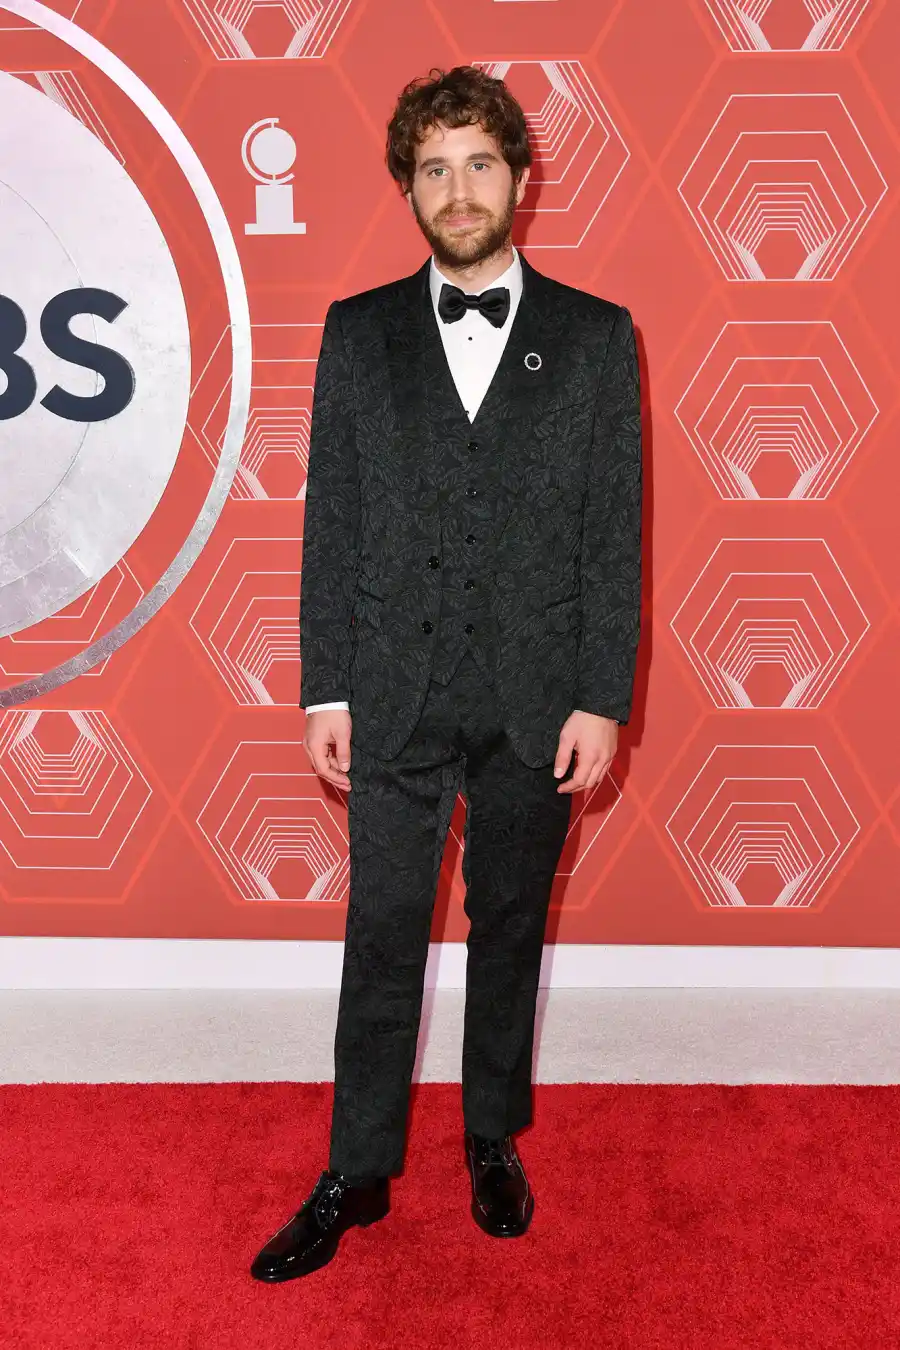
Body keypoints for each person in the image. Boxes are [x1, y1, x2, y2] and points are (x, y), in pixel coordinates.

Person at [251, 64, 642, 1283]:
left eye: (480, 164)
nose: (458, 189)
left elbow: (612, 529)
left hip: (537, 697)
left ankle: (490, 1138)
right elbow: (333, 522)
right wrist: (325, 687)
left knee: (511, 925)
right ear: (408, 189)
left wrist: (600, 698)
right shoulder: (357, 332)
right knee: (381, 932)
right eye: (434, 168)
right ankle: (356, 1169)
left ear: (520, 181)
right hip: (392, 691)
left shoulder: (593, 337)